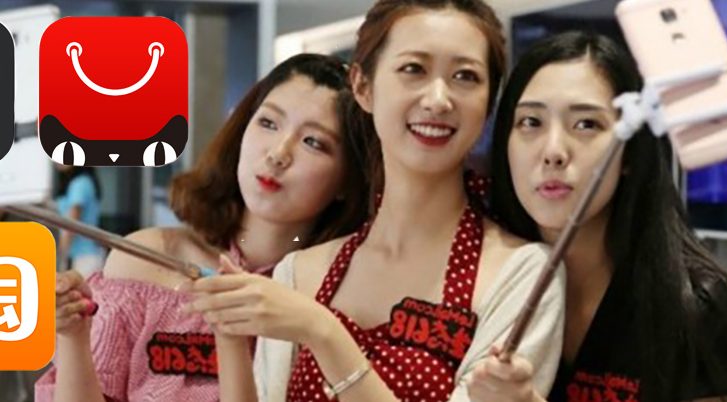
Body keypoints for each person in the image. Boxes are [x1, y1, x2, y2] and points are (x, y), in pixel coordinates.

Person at [184, 1, 566, 402]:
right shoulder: (299, 273)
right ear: (363, 87)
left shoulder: (522, 275)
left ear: (488, 104)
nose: (438, 99)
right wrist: (229, 334)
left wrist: (324, 332)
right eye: (414, 69)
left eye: (465, 76)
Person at [35, 53, 372, 402]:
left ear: (348, 180)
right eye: (268, 123)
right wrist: (73, 335)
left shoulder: (339, 297)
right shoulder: (149, 259)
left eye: (313, 142)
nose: (278, 154)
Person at [487, 31, 727, 402]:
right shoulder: (486, 279)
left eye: (586, 124)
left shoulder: (696, 304)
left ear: (629, 153)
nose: (553, 151)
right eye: (531, 122)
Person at [54, 165, 104, 276]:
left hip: (85, 257)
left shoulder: (80, 183)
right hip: (80, 255)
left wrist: (59, 255)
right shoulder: (77, 182)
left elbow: (71, 223)